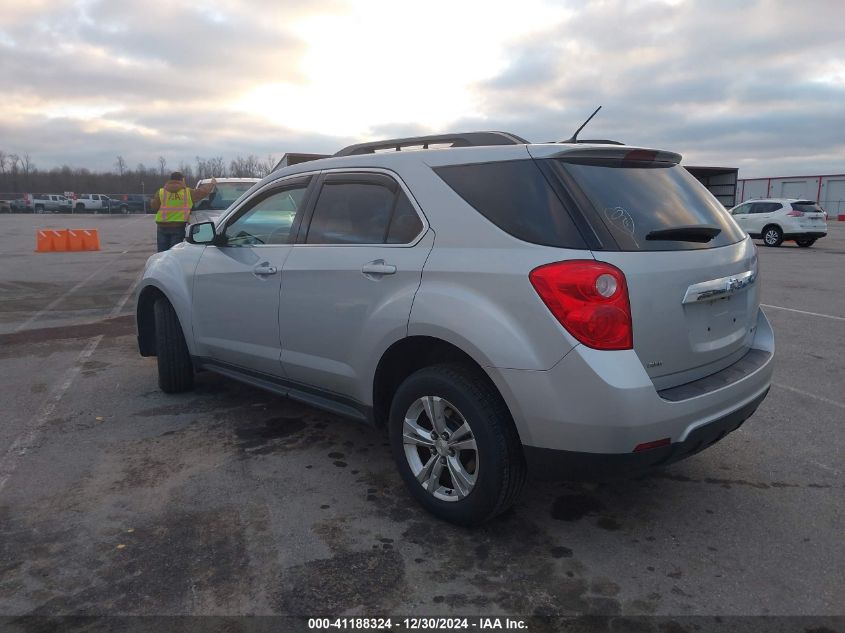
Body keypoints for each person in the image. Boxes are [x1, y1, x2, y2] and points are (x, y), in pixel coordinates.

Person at [150, 172, 217, 252]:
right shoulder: (187, 192)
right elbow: (202, 192)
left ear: (170, 180)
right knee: (175, 253)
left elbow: (154, 207)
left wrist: (152, 201)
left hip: (162, 227)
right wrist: (212, 184)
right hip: (178, 227)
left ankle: (163, 264)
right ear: (182, 180)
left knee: (162, 253)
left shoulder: (161, 192)